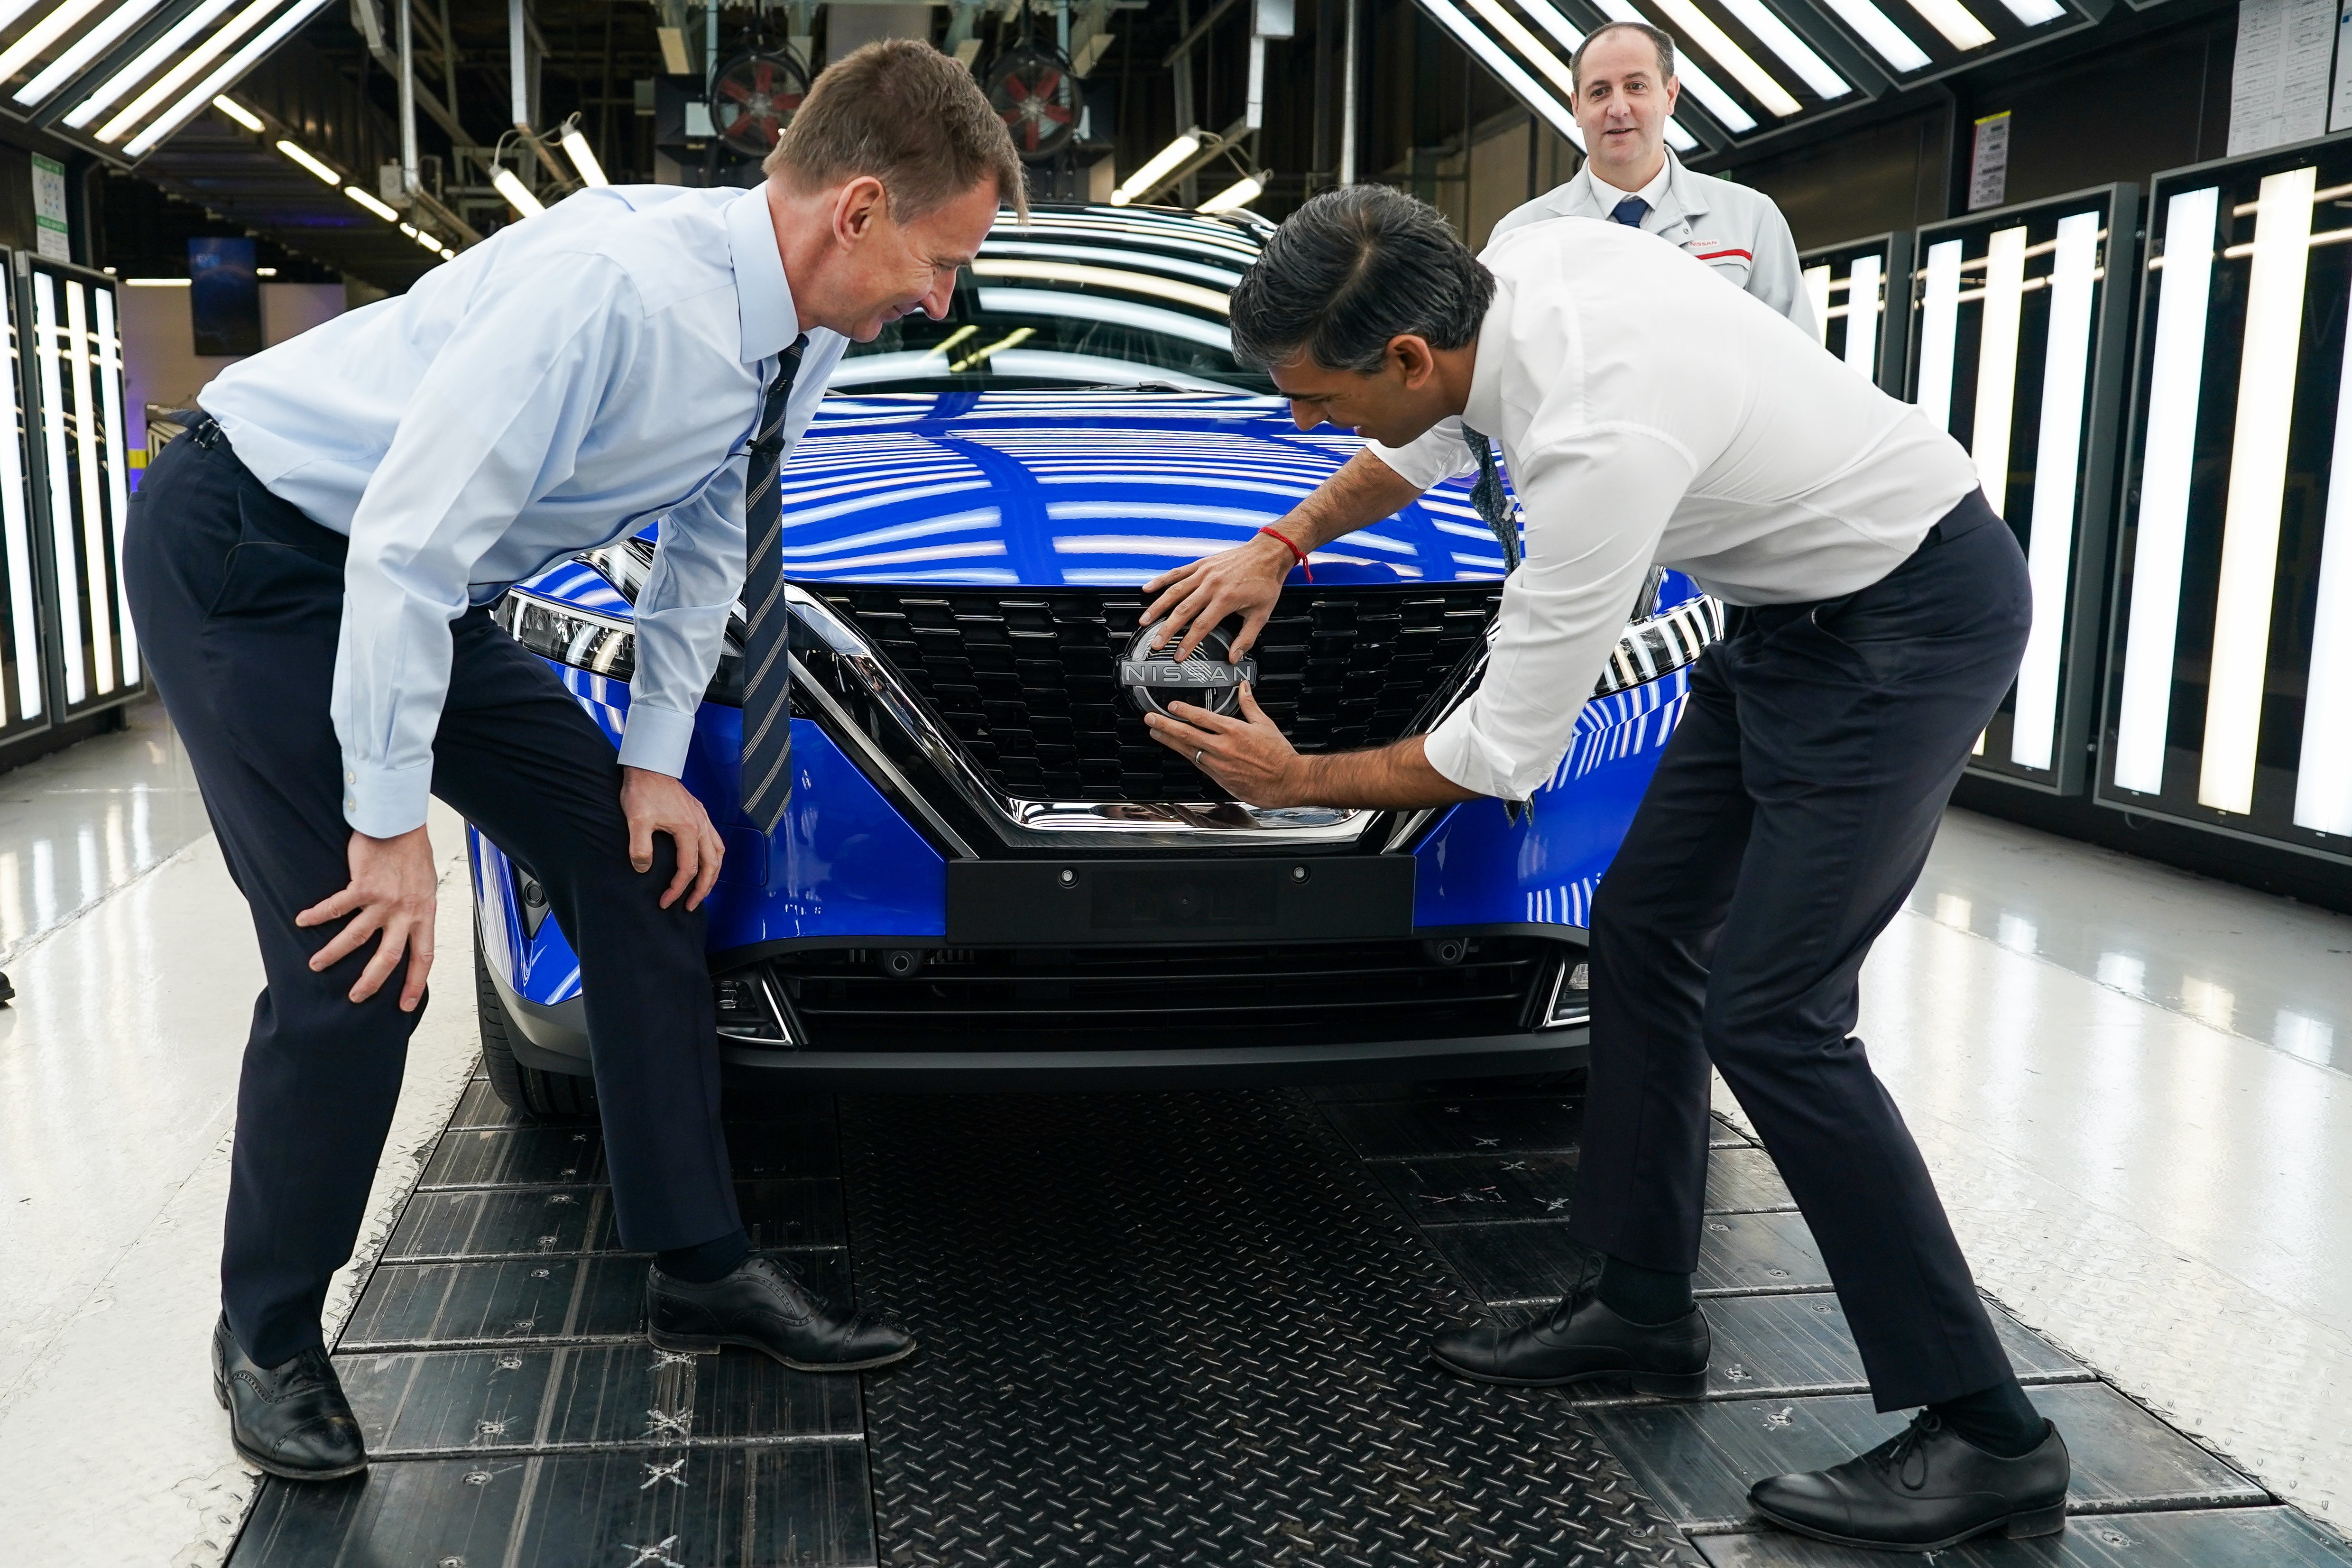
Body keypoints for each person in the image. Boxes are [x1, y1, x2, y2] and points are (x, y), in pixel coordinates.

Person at [122, 40, 1022, 1483]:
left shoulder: (807, 332)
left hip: (429, 579)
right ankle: (269, 1332)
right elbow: (406, 541)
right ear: (856, 209)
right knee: (358, 955)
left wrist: (656, 761)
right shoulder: (609, 288)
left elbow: (717, 535)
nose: (942, 298)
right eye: (938, 259)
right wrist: (385, 822)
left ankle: (698, 1258)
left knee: (641, 869)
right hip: (261, 547)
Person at [1139, 187, 2066, 1553]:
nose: (1301, 426)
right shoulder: (1508, 268)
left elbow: (1496, 753)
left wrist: (1292, 785)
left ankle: (1991, 1432)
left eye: (1312, 398)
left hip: (1907, 622)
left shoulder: (1594, 443)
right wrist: (1280, 544)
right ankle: (1640, 1306)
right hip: (1784, 617)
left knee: (1775, 1016)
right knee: (1640, 927)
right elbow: (1429, 438)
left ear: (1403, 354)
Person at [1495, 19, 1812, 333]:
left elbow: (1801, 362)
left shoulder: (1750, 219)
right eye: (1599, 92)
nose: (1618, 108)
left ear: (1670, 95)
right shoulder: (1520, 235)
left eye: (1635, 86)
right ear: (1576, 107)